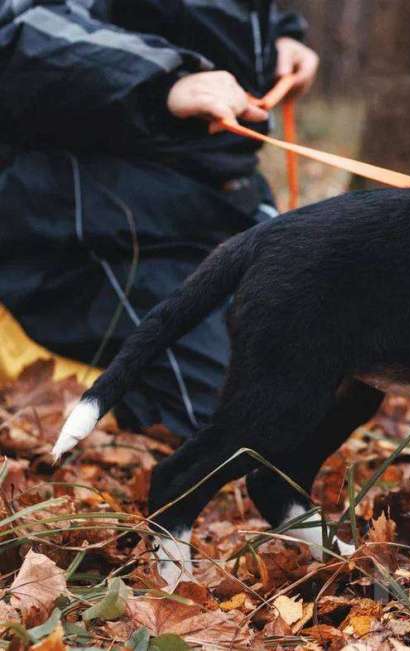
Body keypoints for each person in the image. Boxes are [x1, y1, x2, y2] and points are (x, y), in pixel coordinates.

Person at [0, 0, 318, 438]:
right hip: (99, 220)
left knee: (314, 364)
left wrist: (283, 36)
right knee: (234, 425)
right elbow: (16, 25)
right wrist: (164, 81)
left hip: (221, 197)